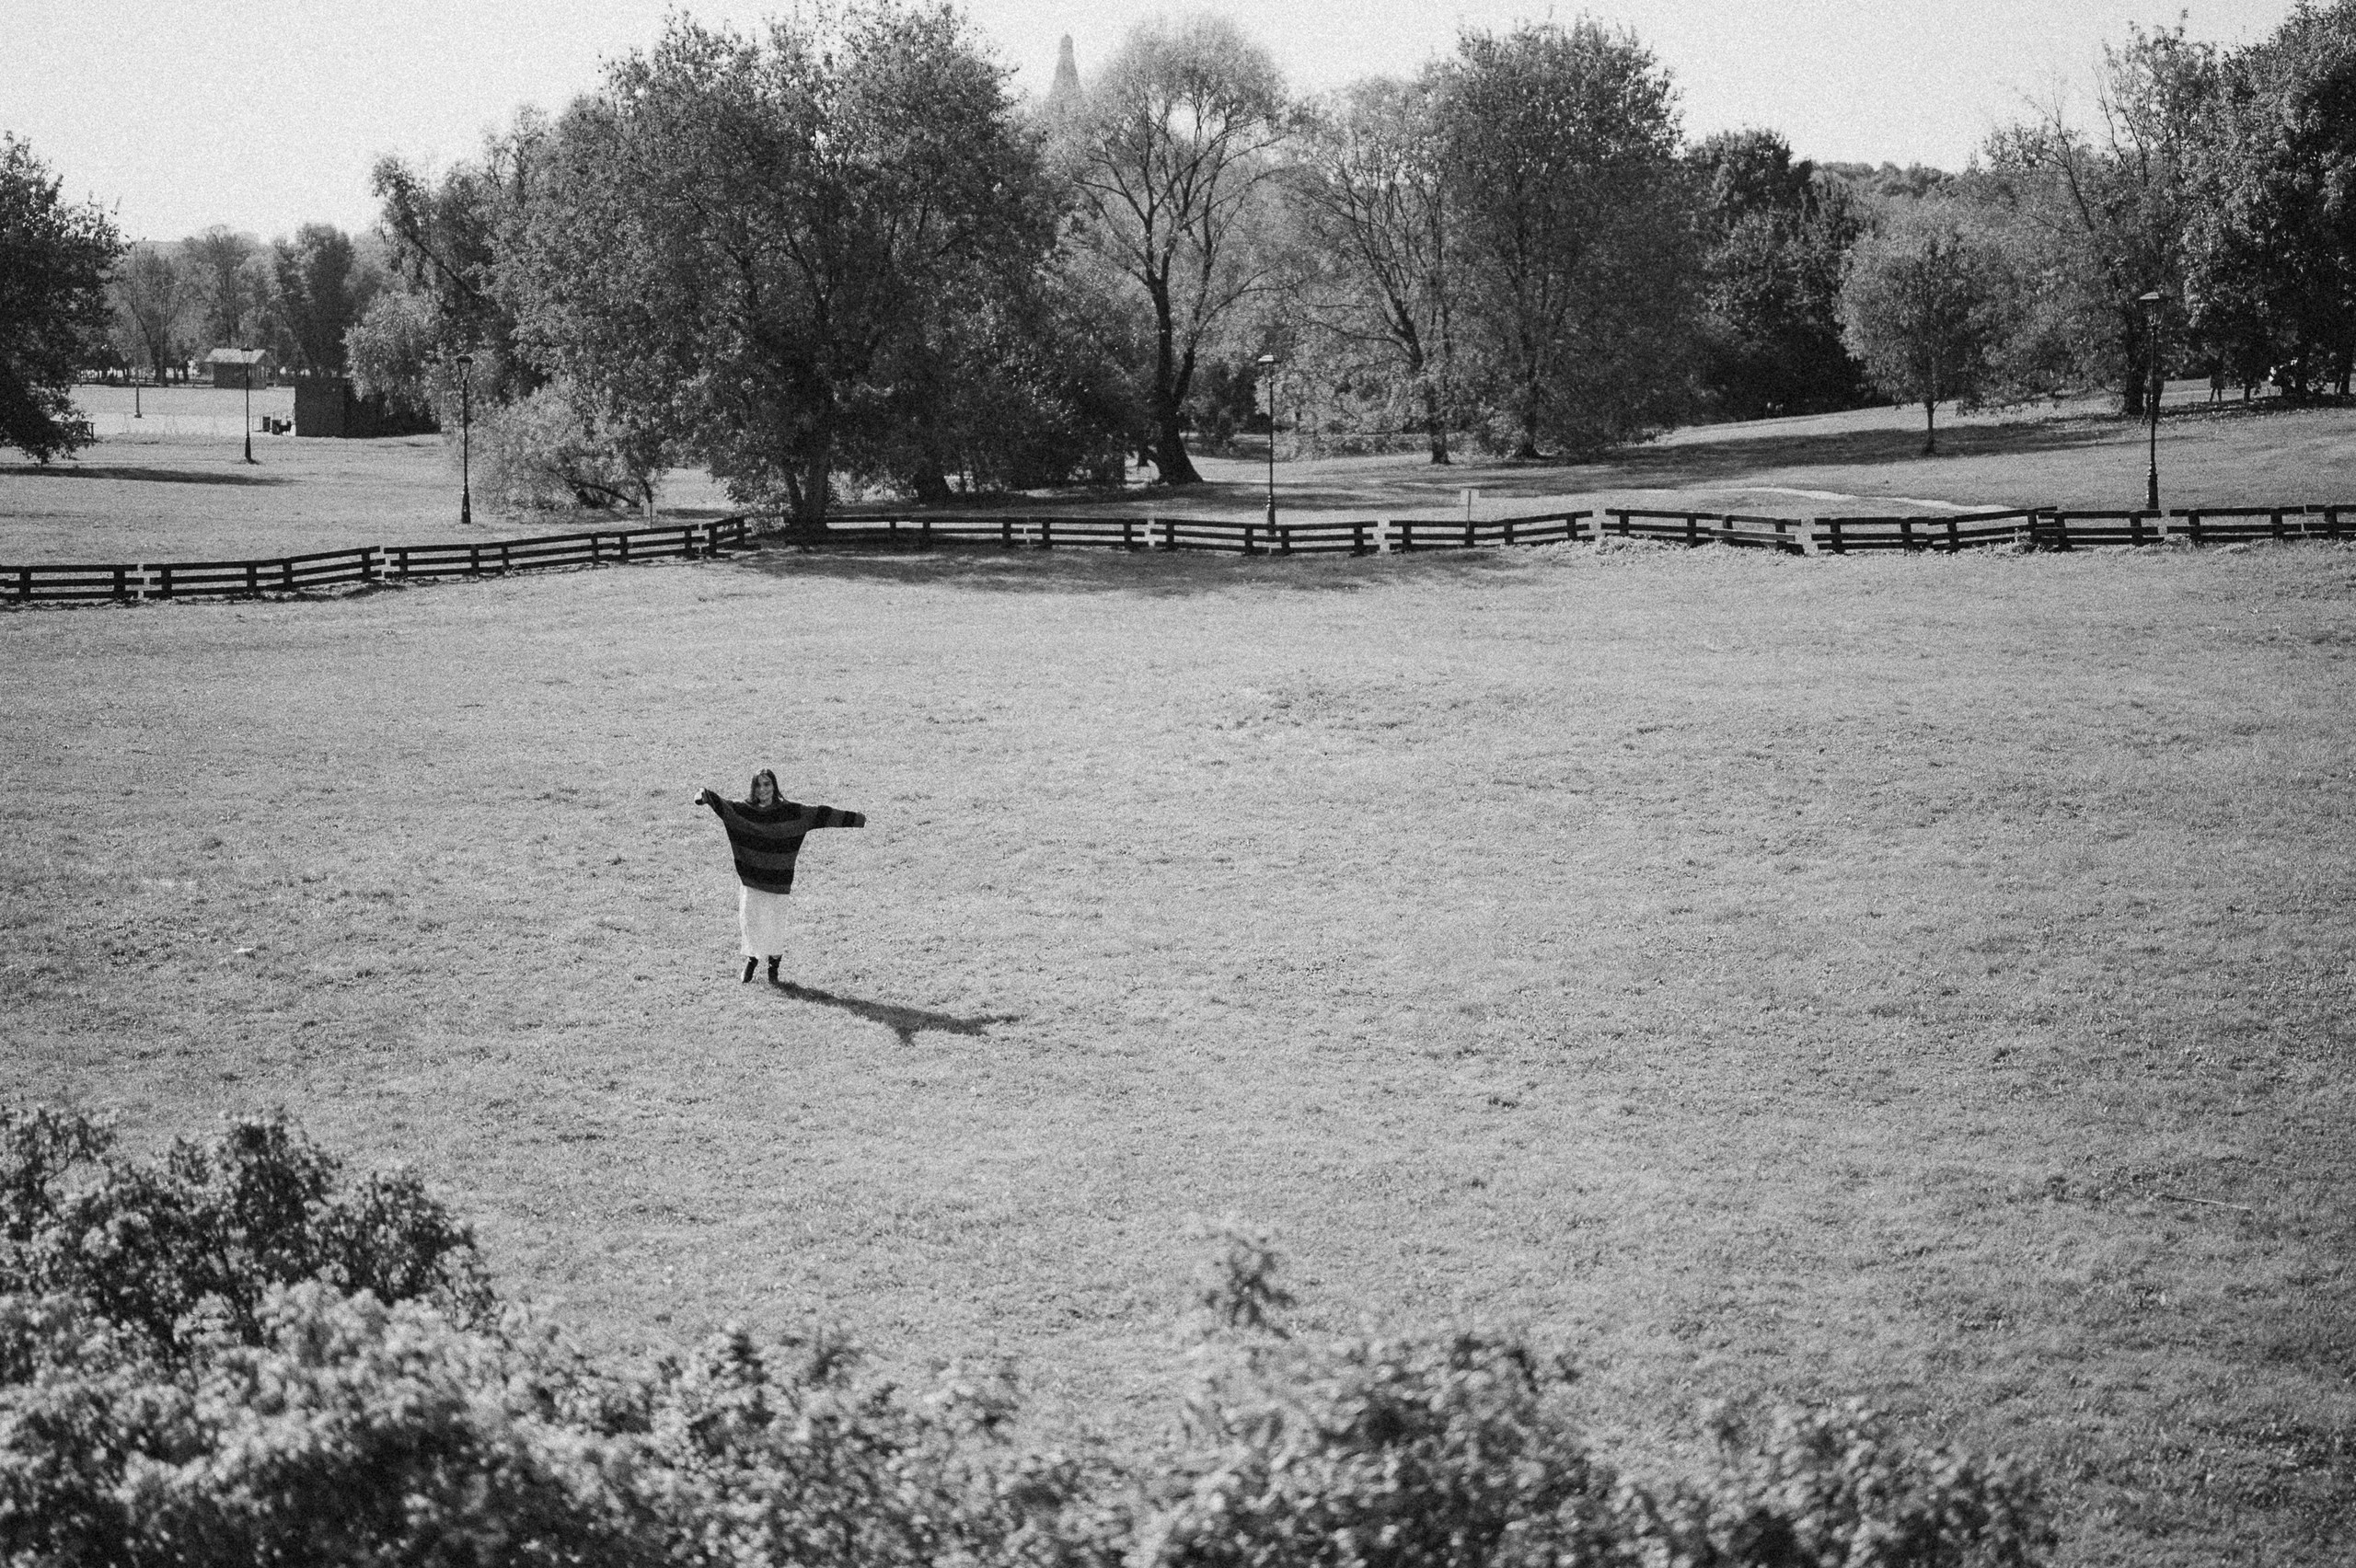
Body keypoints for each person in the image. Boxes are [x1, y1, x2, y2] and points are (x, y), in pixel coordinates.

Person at [694, 769, 867, 984]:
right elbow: (721, 804)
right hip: (753, 879)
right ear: (753, 788)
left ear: (774, 786)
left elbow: (822, 814)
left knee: (775, 925)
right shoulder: (744, 811)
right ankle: (752, 960)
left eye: (767, 785)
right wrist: (704, 796)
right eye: (758, 785)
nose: (763, 790)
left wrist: (856, 819)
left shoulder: (792, 812)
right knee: (751, 921)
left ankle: (773, 968)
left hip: (778, 881)